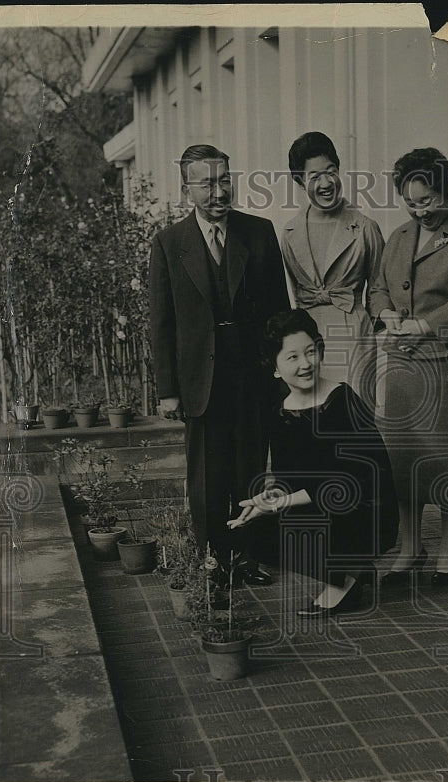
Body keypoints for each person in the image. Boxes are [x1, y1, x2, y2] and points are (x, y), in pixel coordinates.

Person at [149, 144, 289, 586]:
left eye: (224, 179)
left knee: (251, 466)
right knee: (207, 475)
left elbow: (277, 313)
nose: (218, 191)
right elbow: (162, 322)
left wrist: (280, 372)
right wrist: (167, 389)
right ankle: (214, 559)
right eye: (207, 183)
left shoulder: (259, 233)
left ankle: (248, 556)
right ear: (187, 188)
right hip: (199, 380)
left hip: (251, 375)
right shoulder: (170, 243)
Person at [368, 147, 448, 587]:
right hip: (402, 362)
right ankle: (408, 546)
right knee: (403, 458)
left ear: (446, 191)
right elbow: (378, 287)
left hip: (446, 364)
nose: (418, 210)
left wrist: (423, 324)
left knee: (446, 458)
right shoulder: (399, 235)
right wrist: (385, 314)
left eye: (426, 200)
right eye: (410, 201)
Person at [228, 309, 398, 616]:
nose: (305, 364)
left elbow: (353, 481)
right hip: (323, 506)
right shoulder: (281, 412)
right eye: (292, 357)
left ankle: (344, 584)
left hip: (364, 510)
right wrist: (267, 499)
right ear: (275, 367)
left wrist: (283, 503)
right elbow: (289, 479)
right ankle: (352, 572)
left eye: (310, 352)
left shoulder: (342, 401)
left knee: (300, 522)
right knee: (254, 532)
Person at [281, 132, 385, 403]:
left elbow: (380, 291)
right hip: (307, 340)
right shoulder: (289, 233)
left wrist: (373, 340)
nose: (326, 183)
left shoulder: (364, 227)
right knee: (312, 417)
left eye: (332, 171)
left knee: (354, 418)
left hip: (355, 337)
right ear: (300, 182)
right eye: (314, 176)